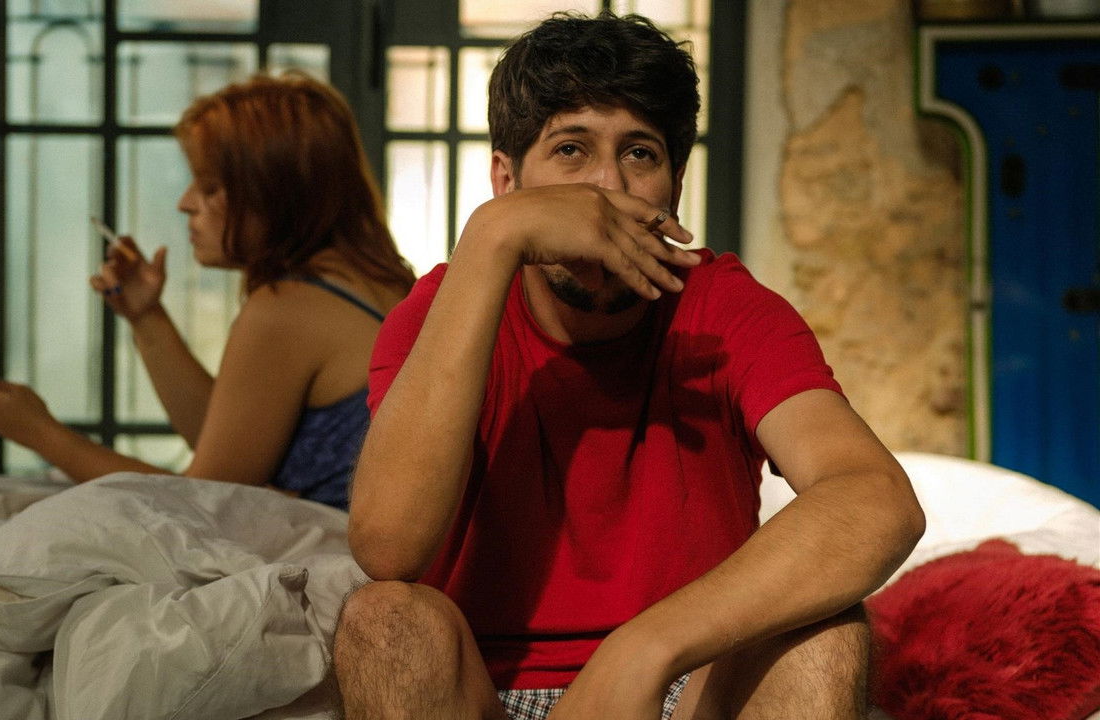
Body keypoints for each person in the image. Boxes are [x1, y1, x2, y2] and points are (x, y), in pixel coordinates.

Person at [332, 12, 925, 719]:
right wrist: (492, 238)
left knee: (827, 635)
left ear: (675, 184)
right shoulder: (441, 312)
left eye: (639, 154)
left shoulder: (725, 307)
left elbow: (875, 499)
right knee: (382, 621)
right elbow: (388, 549)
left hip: (678, 683)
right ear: (506, 178)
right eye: (570, 150)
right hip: (483, 693)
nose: (605, 189)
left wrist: (642, 649)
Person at [0, 74, 415, 510]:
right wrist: (146, 316)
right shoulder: (379, 279)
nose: (185, 203)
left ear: (274, 192)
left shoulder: (288, 308)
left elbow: (204, 500)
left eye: (210, 187)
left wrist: (40, 433)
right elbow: (233, 450)